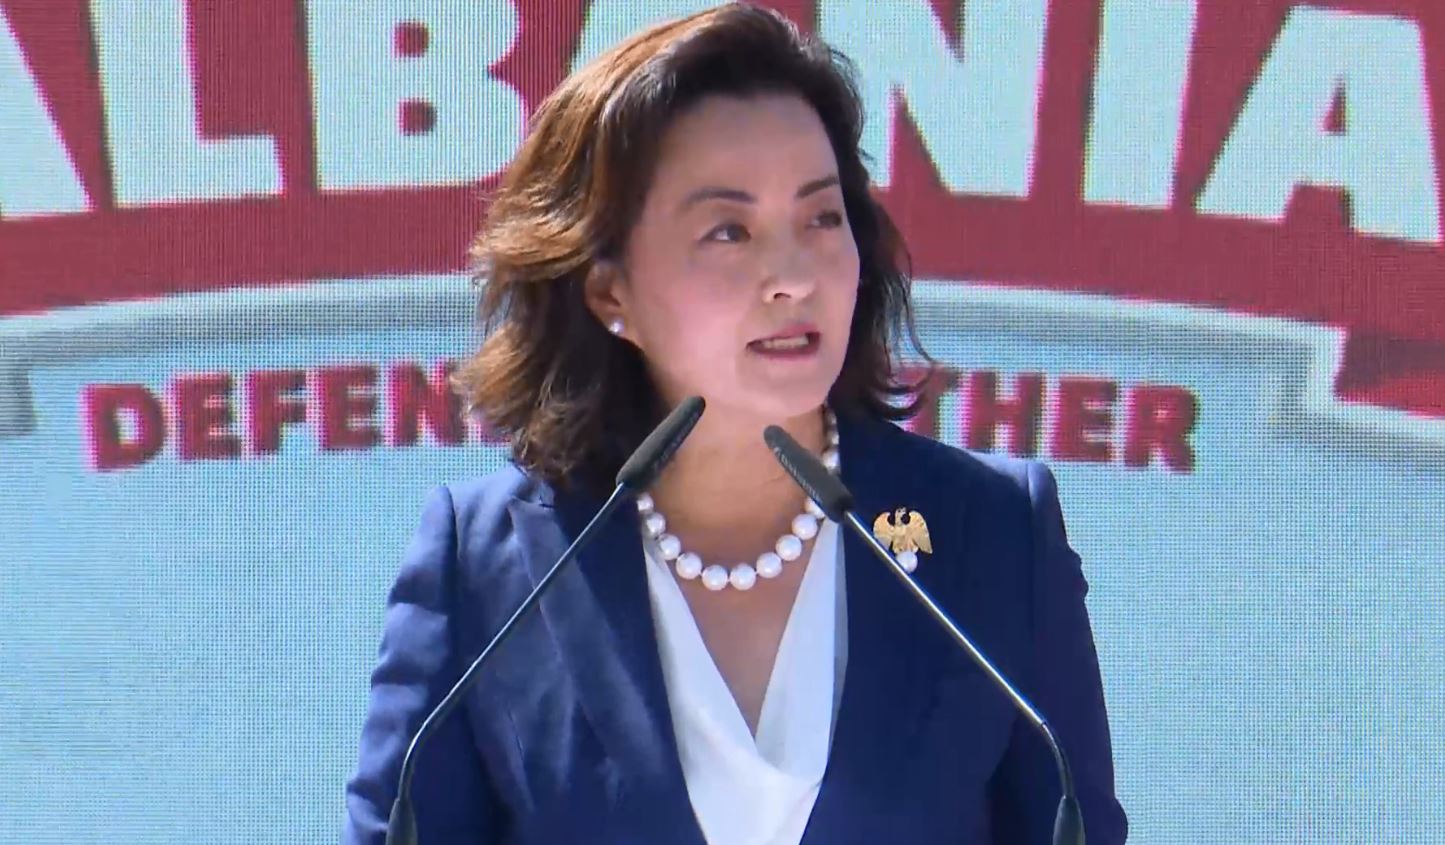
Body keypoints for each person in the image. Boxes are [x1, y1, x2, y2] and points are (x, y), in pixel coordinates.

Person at [342, 3, 1127, 843]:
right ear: (610, 290)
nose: (793, 275)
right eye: (729, 231)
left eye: (821, 218)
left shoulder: (994, 533)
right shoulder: (486, 567)